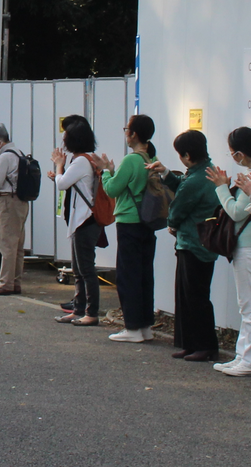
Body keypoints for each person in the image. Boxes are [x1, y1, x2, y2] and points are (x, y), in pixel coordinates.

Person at [205, 127, 251, 375]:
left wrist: (222, 187)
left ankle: (249, 361)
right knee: (250, 305)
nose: (232, 157)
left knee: (250, 306)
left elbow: (236, 212)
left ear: (240, 154)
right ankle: (243, 356)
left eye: (232, 153)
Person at [160, 129, 223, 361]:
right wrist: (166, 173)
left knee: (193, 297)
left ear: (187, 155)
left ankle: (204, 345)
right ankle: (191, 343)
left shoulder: (196, 179)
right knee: (190, 296)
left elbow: (178, 207)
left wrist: (172, 224)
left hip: (193, 243)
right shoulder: (207, 171)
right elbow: (182, 187)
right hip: (200, 243)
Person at [102, 115, 159, 342]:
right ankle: (145, 326)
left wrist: (106, 171)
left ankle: (132, 328)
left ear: (133, 134)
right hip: (148, 221)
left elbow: (112, 189)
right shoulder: (151, 156)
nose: (125, 133)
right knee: (145, 274)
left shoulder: (131, 160)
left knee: (128, 275)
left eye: (127, 129)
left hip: (129, 221)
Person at [49, 120, 103, 324]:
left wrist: (59, 165)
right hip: (83, 220)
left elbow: (62, 184)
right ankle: (79, 310)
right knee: (79, 268)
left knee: (85, 269)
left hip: (84, 221)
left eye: (66, 139)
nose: (63, 144)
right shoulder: (86, 159)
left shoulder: (81, 161)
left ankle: (91, 313)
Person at [0, 124, 29, 295]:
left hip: (8, 201)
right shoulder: (19, 153)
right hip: (22, 201)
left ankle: (5, 283)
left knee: (7, 244)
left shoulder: (4, 157)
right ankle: (15, 281)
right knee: (18, 245)